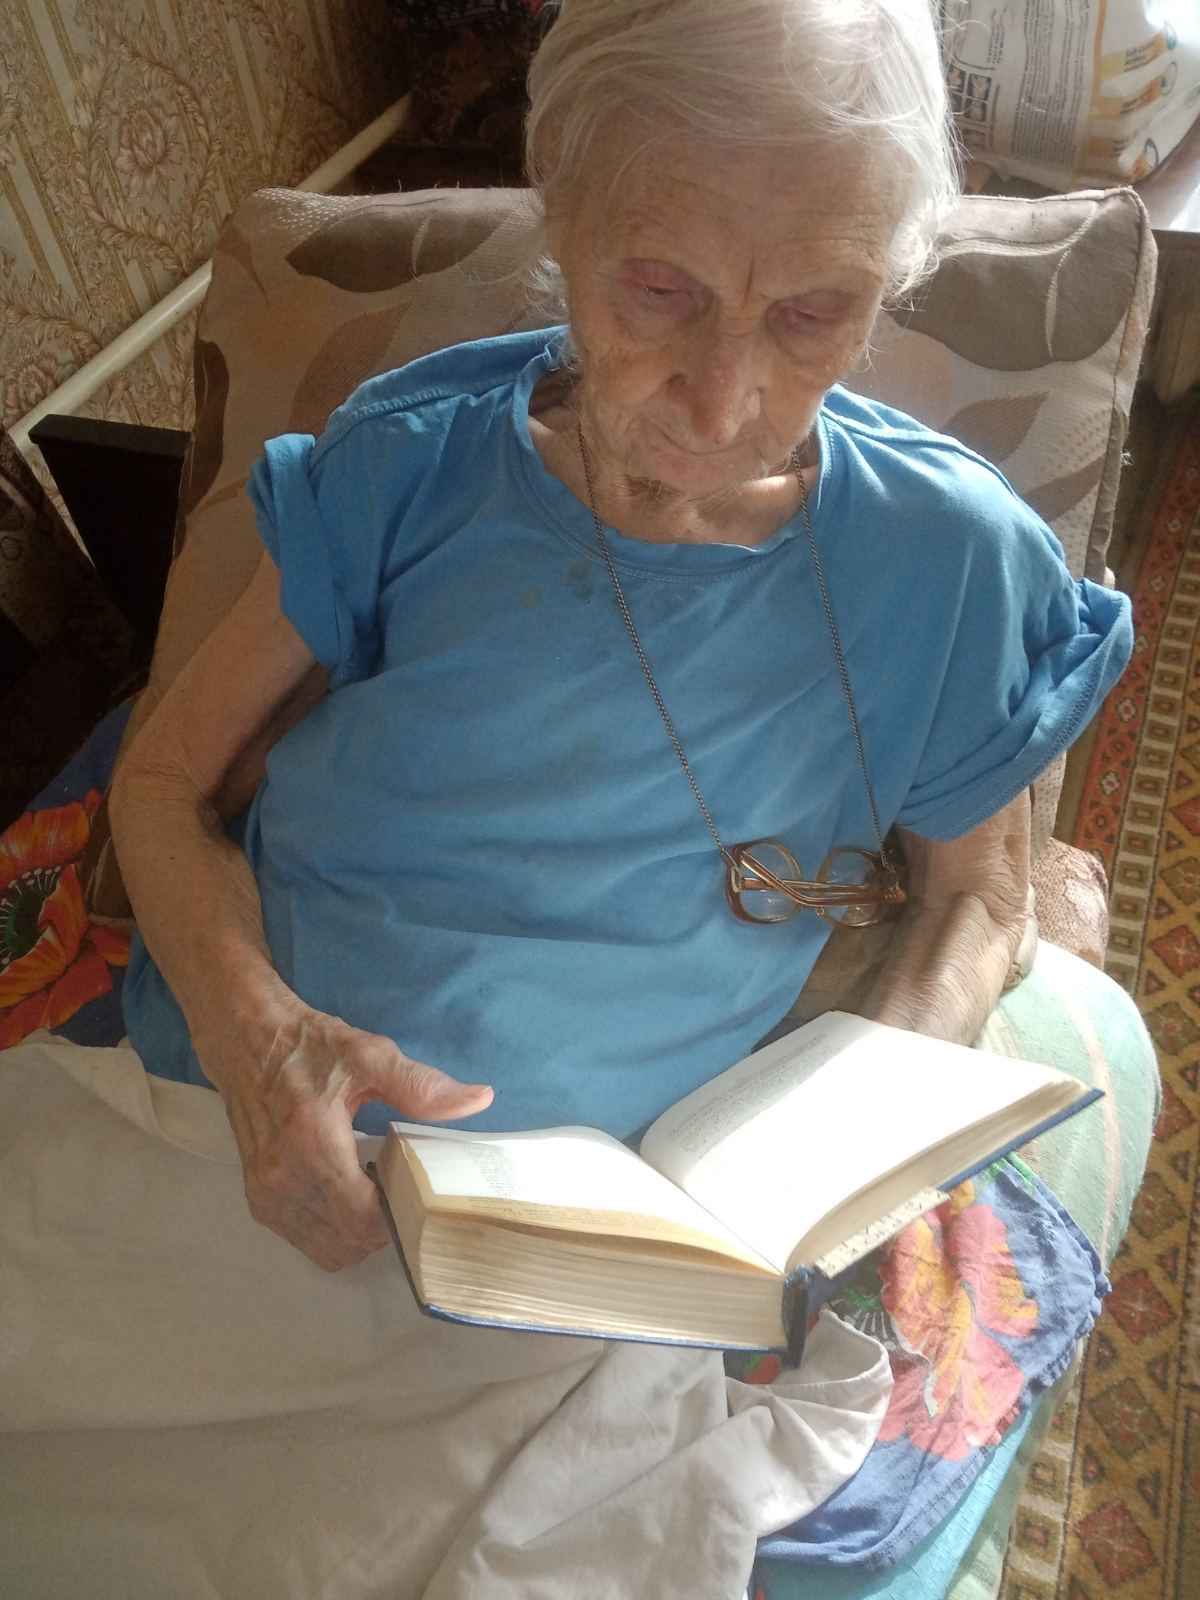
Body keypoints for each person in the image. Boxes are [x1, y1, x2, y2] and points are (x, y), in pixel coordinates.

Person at [1, 2, 1146, 1595]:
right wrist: (262, 1043)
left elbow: (978, 898)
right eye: (658, 291)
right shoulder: (413, 463)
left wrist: (840, 1155)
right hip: (222, 1145)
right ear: (564, 220)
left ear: (884, 287)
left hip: (580, 1282)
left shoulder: (952, 563)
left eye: (812, 314)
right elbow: (165, 779)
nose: (723, 400)